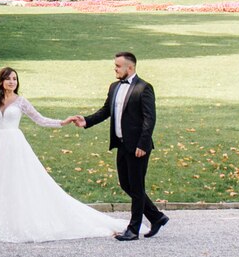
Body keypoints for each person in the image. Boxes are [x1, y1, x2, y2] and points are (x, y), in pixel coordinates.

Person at [0, 66, 127, 243]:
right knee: (0, 185)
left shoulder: (21, 101)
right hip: (1, 149)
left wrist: (62, 122)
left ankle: (18, 224)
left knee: (18, 182)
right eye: (8, 78)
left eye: (14, 79)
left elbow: (40, 119)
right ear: (1, 81)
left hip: (16, 146)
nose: (12, 82)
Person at [68, 51, 169, 241]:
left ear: (129, 68)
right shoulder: (114, 87)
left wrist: (143, 144)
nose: (115, 69)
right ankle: (156, 217)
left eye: (118, 66)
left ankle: (133, 229)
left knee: (137, 187)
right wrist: (86, 121)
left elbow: (150, 119)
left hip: (138, 147)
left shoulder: (144, 88)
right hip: (121, 144)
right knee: (126, 184)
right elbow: (106, 110)